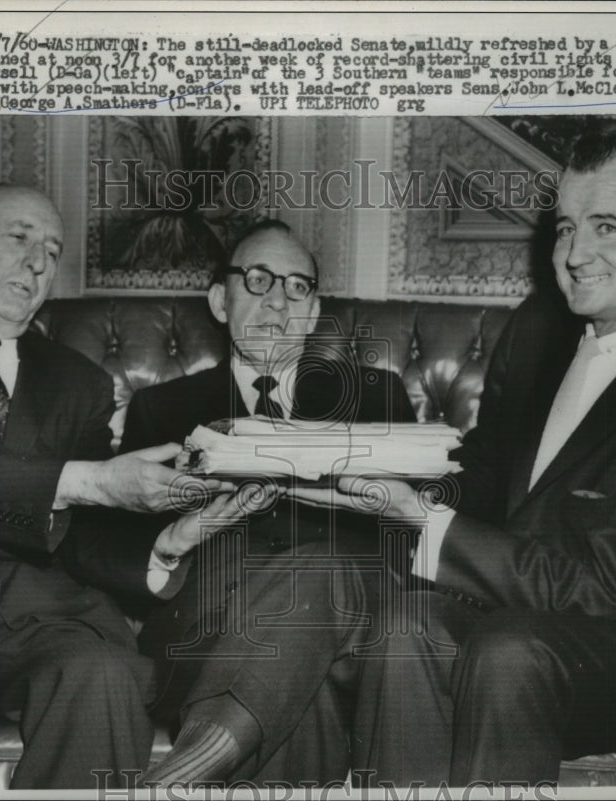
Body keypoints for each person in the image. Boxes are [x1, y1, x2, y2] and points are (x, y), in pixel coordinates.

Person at [290, 130, 616, 785]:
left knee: (508, 651)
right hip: (531, 615)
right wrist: (384, 486)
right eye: (565, 228)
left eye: (605, 227)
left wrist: (421, 518)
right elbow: (485, 475)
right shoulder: (537, 330)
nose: (576, 254)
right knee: (404, 622)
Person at [0, 184, 265, 790]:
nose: (40, 262)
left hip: (46, 622)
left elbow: (88, 532)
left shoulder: (80, 382)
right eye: (19, 238)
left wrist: (165, 544)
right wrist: (89, 481)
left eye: (53, 249)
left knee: (102, 672)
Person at [59, 219, 417, 785]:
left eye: (297, 287)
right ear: (220, 301)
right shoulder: (162, 409)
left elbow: (416, 538)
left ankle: (178, 777)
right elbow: (99, 547)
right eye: (258, 280)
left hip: (352, 634)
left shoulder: (376, 397)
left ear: (315, 308)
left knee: (318, 592)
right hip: (205, 640)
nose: (279, 301)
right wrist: (171, 542)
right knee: (307, 692)